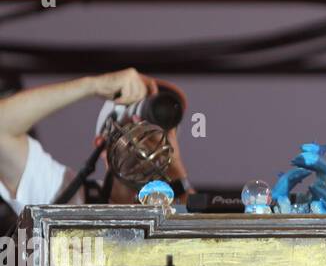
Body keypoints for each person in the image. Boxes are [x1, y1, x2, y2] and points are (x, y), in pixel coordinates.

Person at [0, 69, 191, 235]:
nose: (145, 136)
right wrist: (93, 85)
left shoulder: (173, 214)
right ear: (102, 142)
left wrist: (176, 172)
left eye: (159, 129)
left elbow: (210, 251)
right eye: (132, 124)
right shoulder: (67, 198)